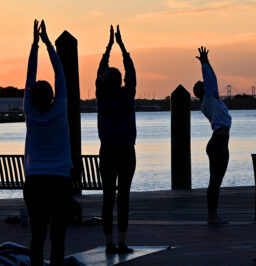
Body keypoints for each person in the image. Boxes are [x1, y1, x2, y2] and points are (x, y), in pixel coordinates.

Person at [23, 19, 72, 266]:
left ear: (31, 97)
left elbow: (29, 77)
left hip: (34, 180)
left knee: (37, 235)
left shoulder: (29, 113)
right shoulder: (60, 109)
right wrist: (48, 45)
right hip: (59, 181)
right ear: (53, 96)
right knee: (58, 235)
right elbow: (60, 73)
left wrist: (34, 46)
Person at [96, 25, 137, 254]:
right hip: (126, 151)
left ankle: (109, 243)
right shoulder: (127, 93)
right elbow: (131, 72)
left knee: (108, 197)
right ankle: (122, 242)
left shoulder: (101, 95)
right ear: (120, 81)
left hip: (107, 151)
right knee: (124, 197)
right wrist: (122, 46)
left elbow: (99, 73)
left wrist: (109, 46)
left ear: (104, 81)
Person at [193, 46, 232, 225]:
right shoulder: (209, 99)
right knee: (215, 181)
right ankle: (212, 217)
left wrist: (206, 63)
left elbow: (210, 81)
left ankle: (213, 216)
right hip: (218, 143)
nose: (206, 83)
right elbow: (211, 80)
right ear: (203, 91)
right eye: (204, 85)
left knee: (216, 181)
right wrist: (204, 63)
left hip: (220, 143)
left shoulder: (210, 101)